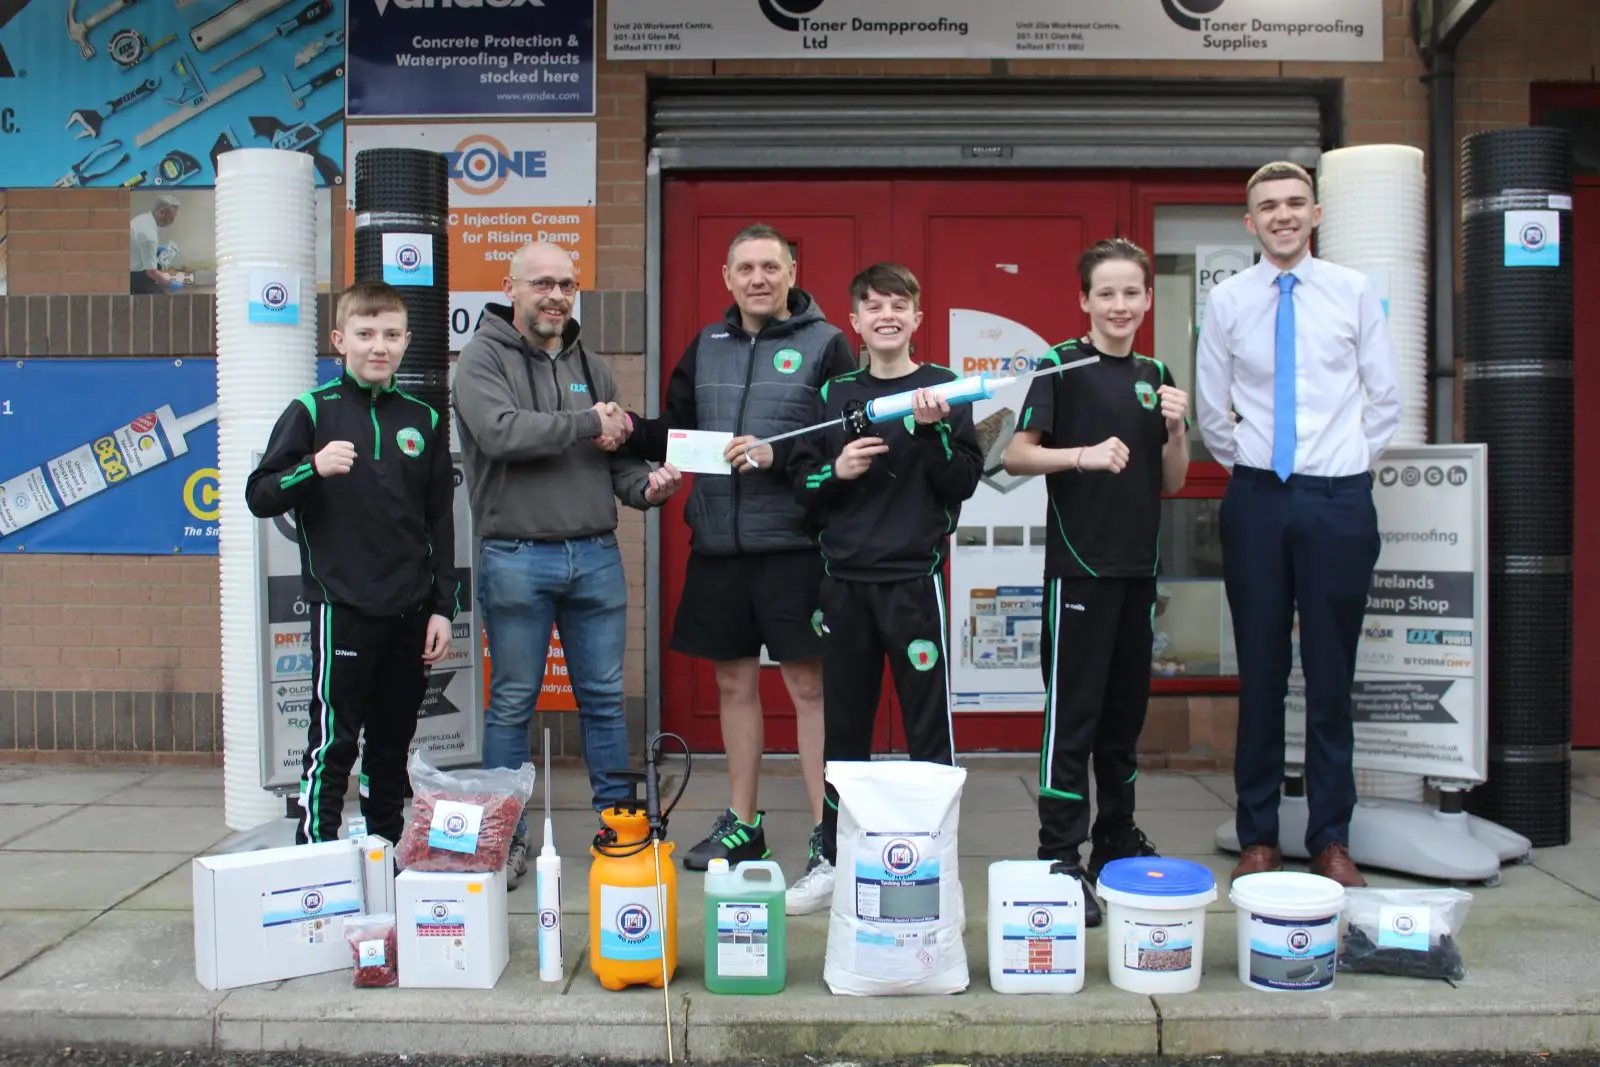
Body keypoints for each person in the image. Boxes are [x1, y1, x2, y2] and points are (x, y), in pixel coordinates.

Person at [618, 223, 858, 877]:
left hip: (796, 544)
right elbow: (677, 429)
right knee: (733, 684)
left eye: (770, 266)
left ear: (792, 272)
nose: (758, 277)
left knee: (809, 687)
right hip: (720, 543)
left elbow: (849, 429)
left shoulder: (827, 344)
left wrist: (778, 454)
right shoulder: (707, 345)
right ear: (727, 277)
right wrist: (627, 431)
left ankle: (825, 833)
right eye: (745, 267)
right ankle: (744, 825)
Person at [1195, 161, 1401, 889]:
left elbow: (1385, 398)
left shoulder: (1350, 293)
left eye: (1294, 203)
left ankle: (1329, 836)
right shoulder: (1228, 302)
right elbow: (1212, 409)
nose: (1282, 215)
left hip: (1338, 499)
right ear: (1249, 223)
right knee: (1261, 670)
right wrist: (1261, 467)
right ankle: (1258, 833)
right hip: (1257, 496)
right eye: (1267, 207)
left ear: (1315, 215)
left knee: (1330, 672)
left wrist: (1337, 464)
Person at [452, 241, 683, 890]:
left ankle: (620, 832)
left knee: (606, 701)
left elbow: (616, 463)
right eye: (543, 283)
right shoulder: (480, 359)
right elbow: (501, 433)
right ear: (511, 287)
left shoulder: (594, 366)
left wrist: (648, 487)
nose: (556, 295)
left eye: (567, 284)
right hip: (516, 555)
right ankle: (505, 839)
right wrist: (586, 421)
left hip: (596, 556)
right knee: (514, 704)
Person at [1000, 238, 1191, 927]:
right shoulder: (1061, 363)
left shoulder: (1156, 370)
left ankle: (1116, 837)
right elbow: (1017, 455)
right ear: (1084, 299)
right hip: (1078, 570)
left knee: (1122, 721)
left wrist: (1175, 428)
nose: (1119, 305)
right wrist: (1081, 455)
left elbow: (1172, 479)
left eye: (1131, 292)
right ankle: (1059, 853)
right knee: (1072, 720)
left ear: (1147, 298)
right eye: (1105, 293)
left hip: (1137, 570)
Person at [782, 262, 983, 914]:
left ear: (918, 318)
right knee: (845, 732)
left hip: (914, 586)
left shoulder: (945, 388)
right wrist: (836, 469)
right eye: (875, 306)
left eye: (901, 304)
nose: (888, 315)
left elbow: (962, 482)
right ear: (857, 321)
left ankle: (938, 860)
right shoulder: (835, 391)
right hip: (844, 589)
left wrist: (928, 435)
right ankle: (835, 858)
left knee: (929, 733)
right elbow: (801, 486)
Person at [245, 280, 461, 847]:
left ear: (406, 341)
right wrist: (311, 467)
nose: (378, 346)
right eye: (365, 334)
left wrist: (443, 608)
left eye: (390, 335)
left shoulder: (425, 418)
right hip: (343, 608)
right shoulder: (312, 411)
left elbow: (440, 520)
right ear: (340, 340)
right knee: (333, 745)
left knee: (391, 745)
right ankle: (315, 857)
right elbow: (260, 494)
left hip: (411, 612)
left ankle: (386, 856)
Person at [130, 196, 184, 295]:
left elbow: (138, 245)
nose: (171, 222)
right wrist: (170, 283)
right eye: (171, 218)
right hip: (134, 277)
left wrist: (156, 248)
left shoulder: (142, 219)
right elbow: (151, 272)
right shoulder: (149, 235)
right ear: (161, 212)